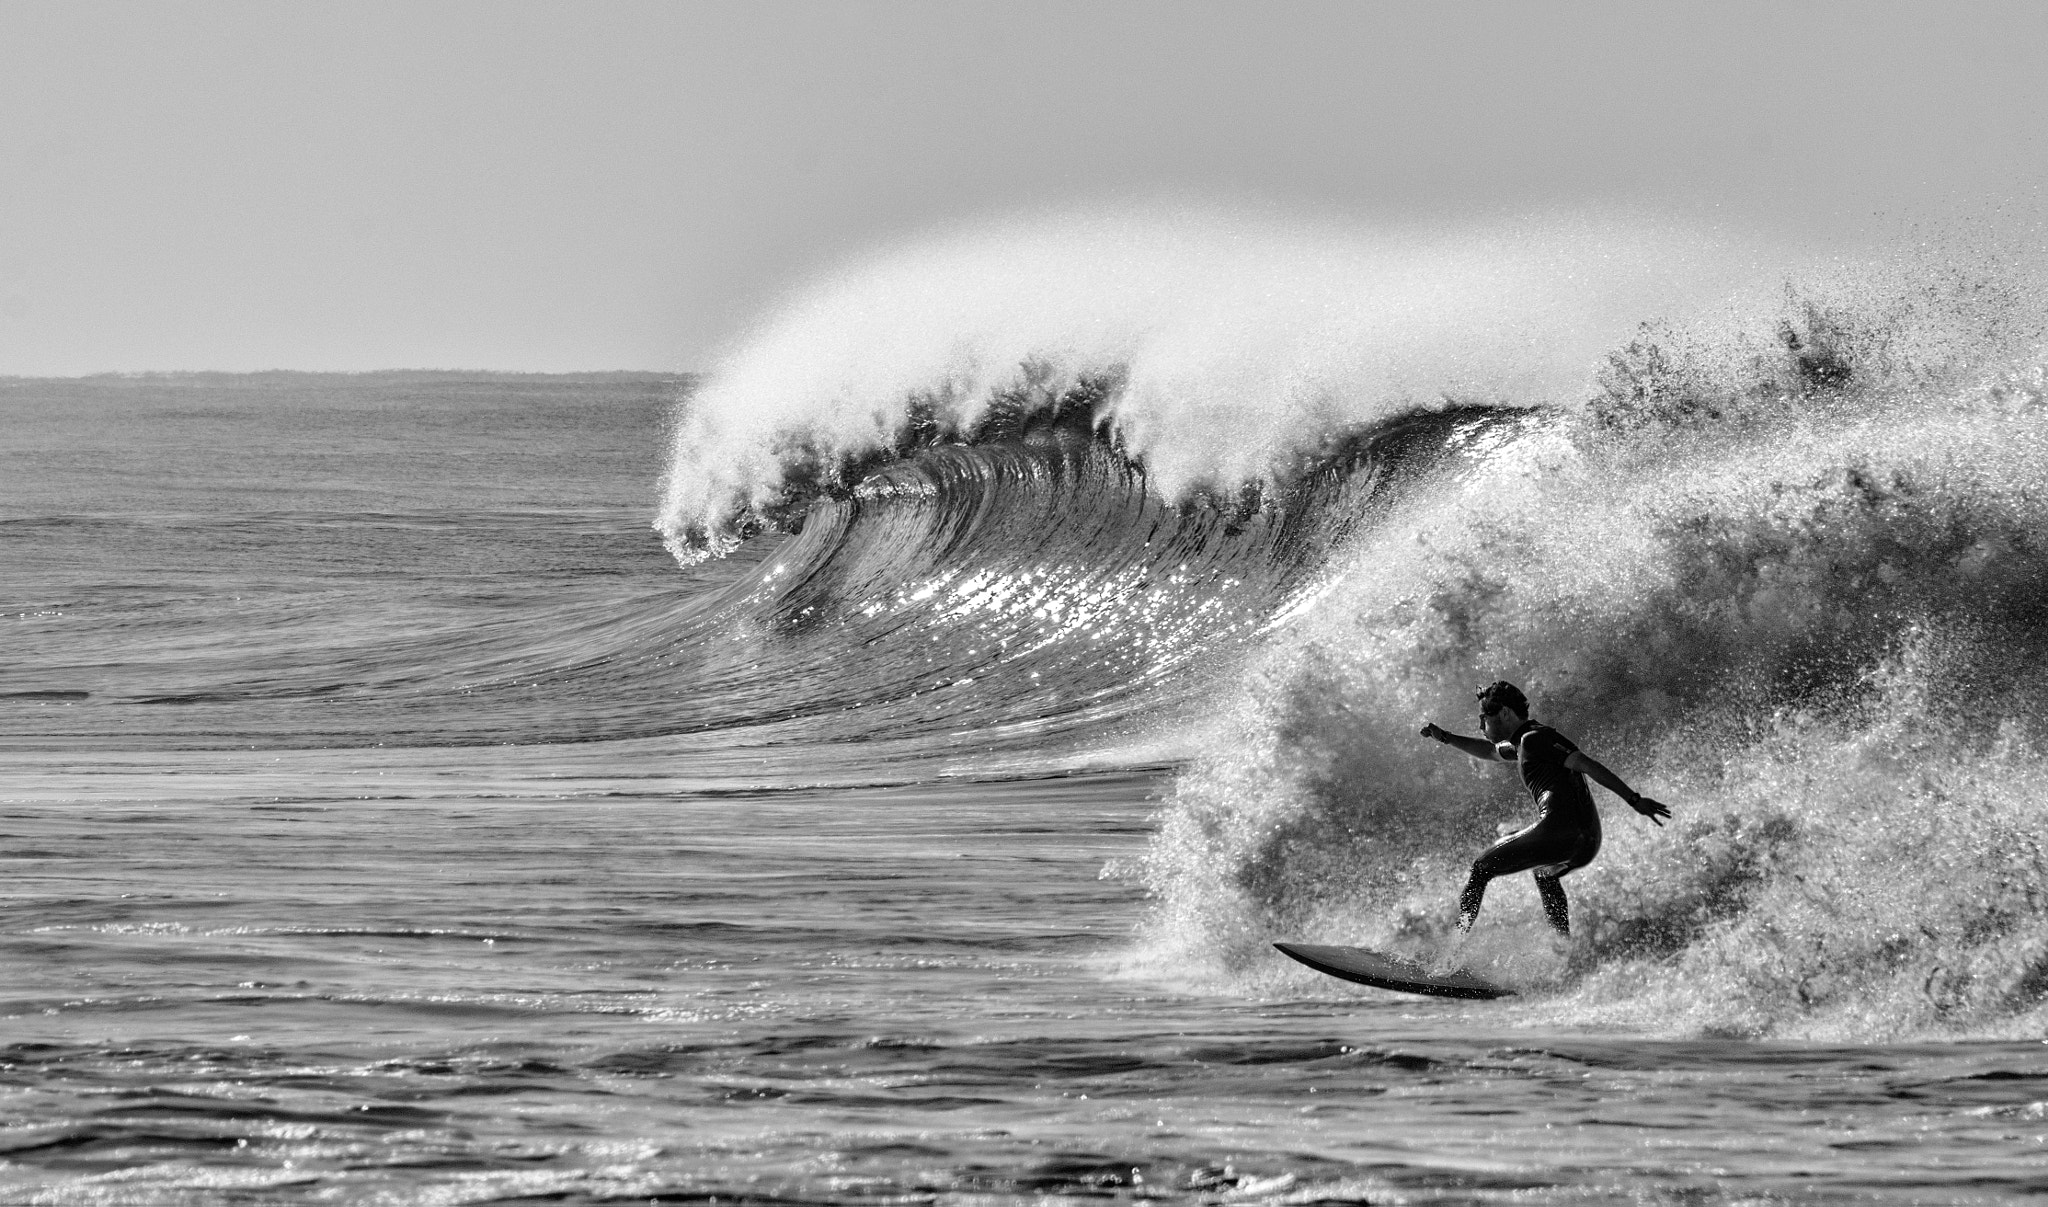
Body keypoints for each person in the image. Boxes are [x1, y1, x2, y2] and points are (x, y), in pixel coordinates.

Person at [1419, 681, 1671, 937]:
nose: (1480, 727)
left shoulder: (1535, 738)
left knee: (1482, 868)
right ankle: (1562, 946)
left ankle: (1452, 949)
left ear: (1505, 713)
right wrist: (1446, 738)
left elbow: (1587, 764)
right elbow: (1490, 751)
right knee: (1544, 874)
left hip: (1563, 832)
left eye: (1483, 718)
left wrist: (1635, 800)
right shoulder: (1523, 742)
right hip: (1587, 841)